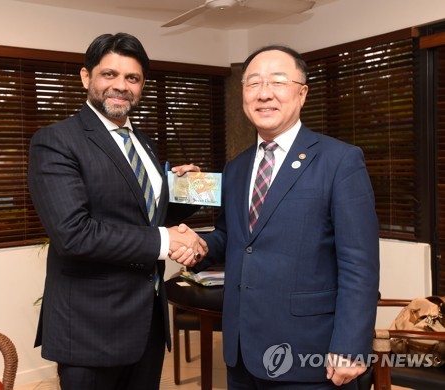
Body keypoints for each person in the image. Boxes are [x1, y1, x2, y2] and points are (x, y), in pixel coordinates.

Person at [191, 45, 380, 389]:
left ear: (302, 92)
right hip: (242, 351)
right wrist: (198, 244)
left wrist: (351, 346)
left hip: (311, 353)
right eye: (253, 84)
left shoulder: (340, 161)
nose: (264, 94)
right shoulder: (235, 168)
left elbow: (360, 264)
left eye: (278, 82)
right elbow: (233, 237)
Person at [28, 32, 207, 390]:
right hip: (90, 328)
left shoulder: (144, 142)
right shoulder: (56, 141)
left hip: (147, 324)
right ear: (86, 77)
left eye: (132, 78)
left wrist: (187, 193)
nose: (121, 86)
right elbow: (73, 234)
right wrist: (166, 239)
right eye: (109, 75)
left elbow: (146, 215)